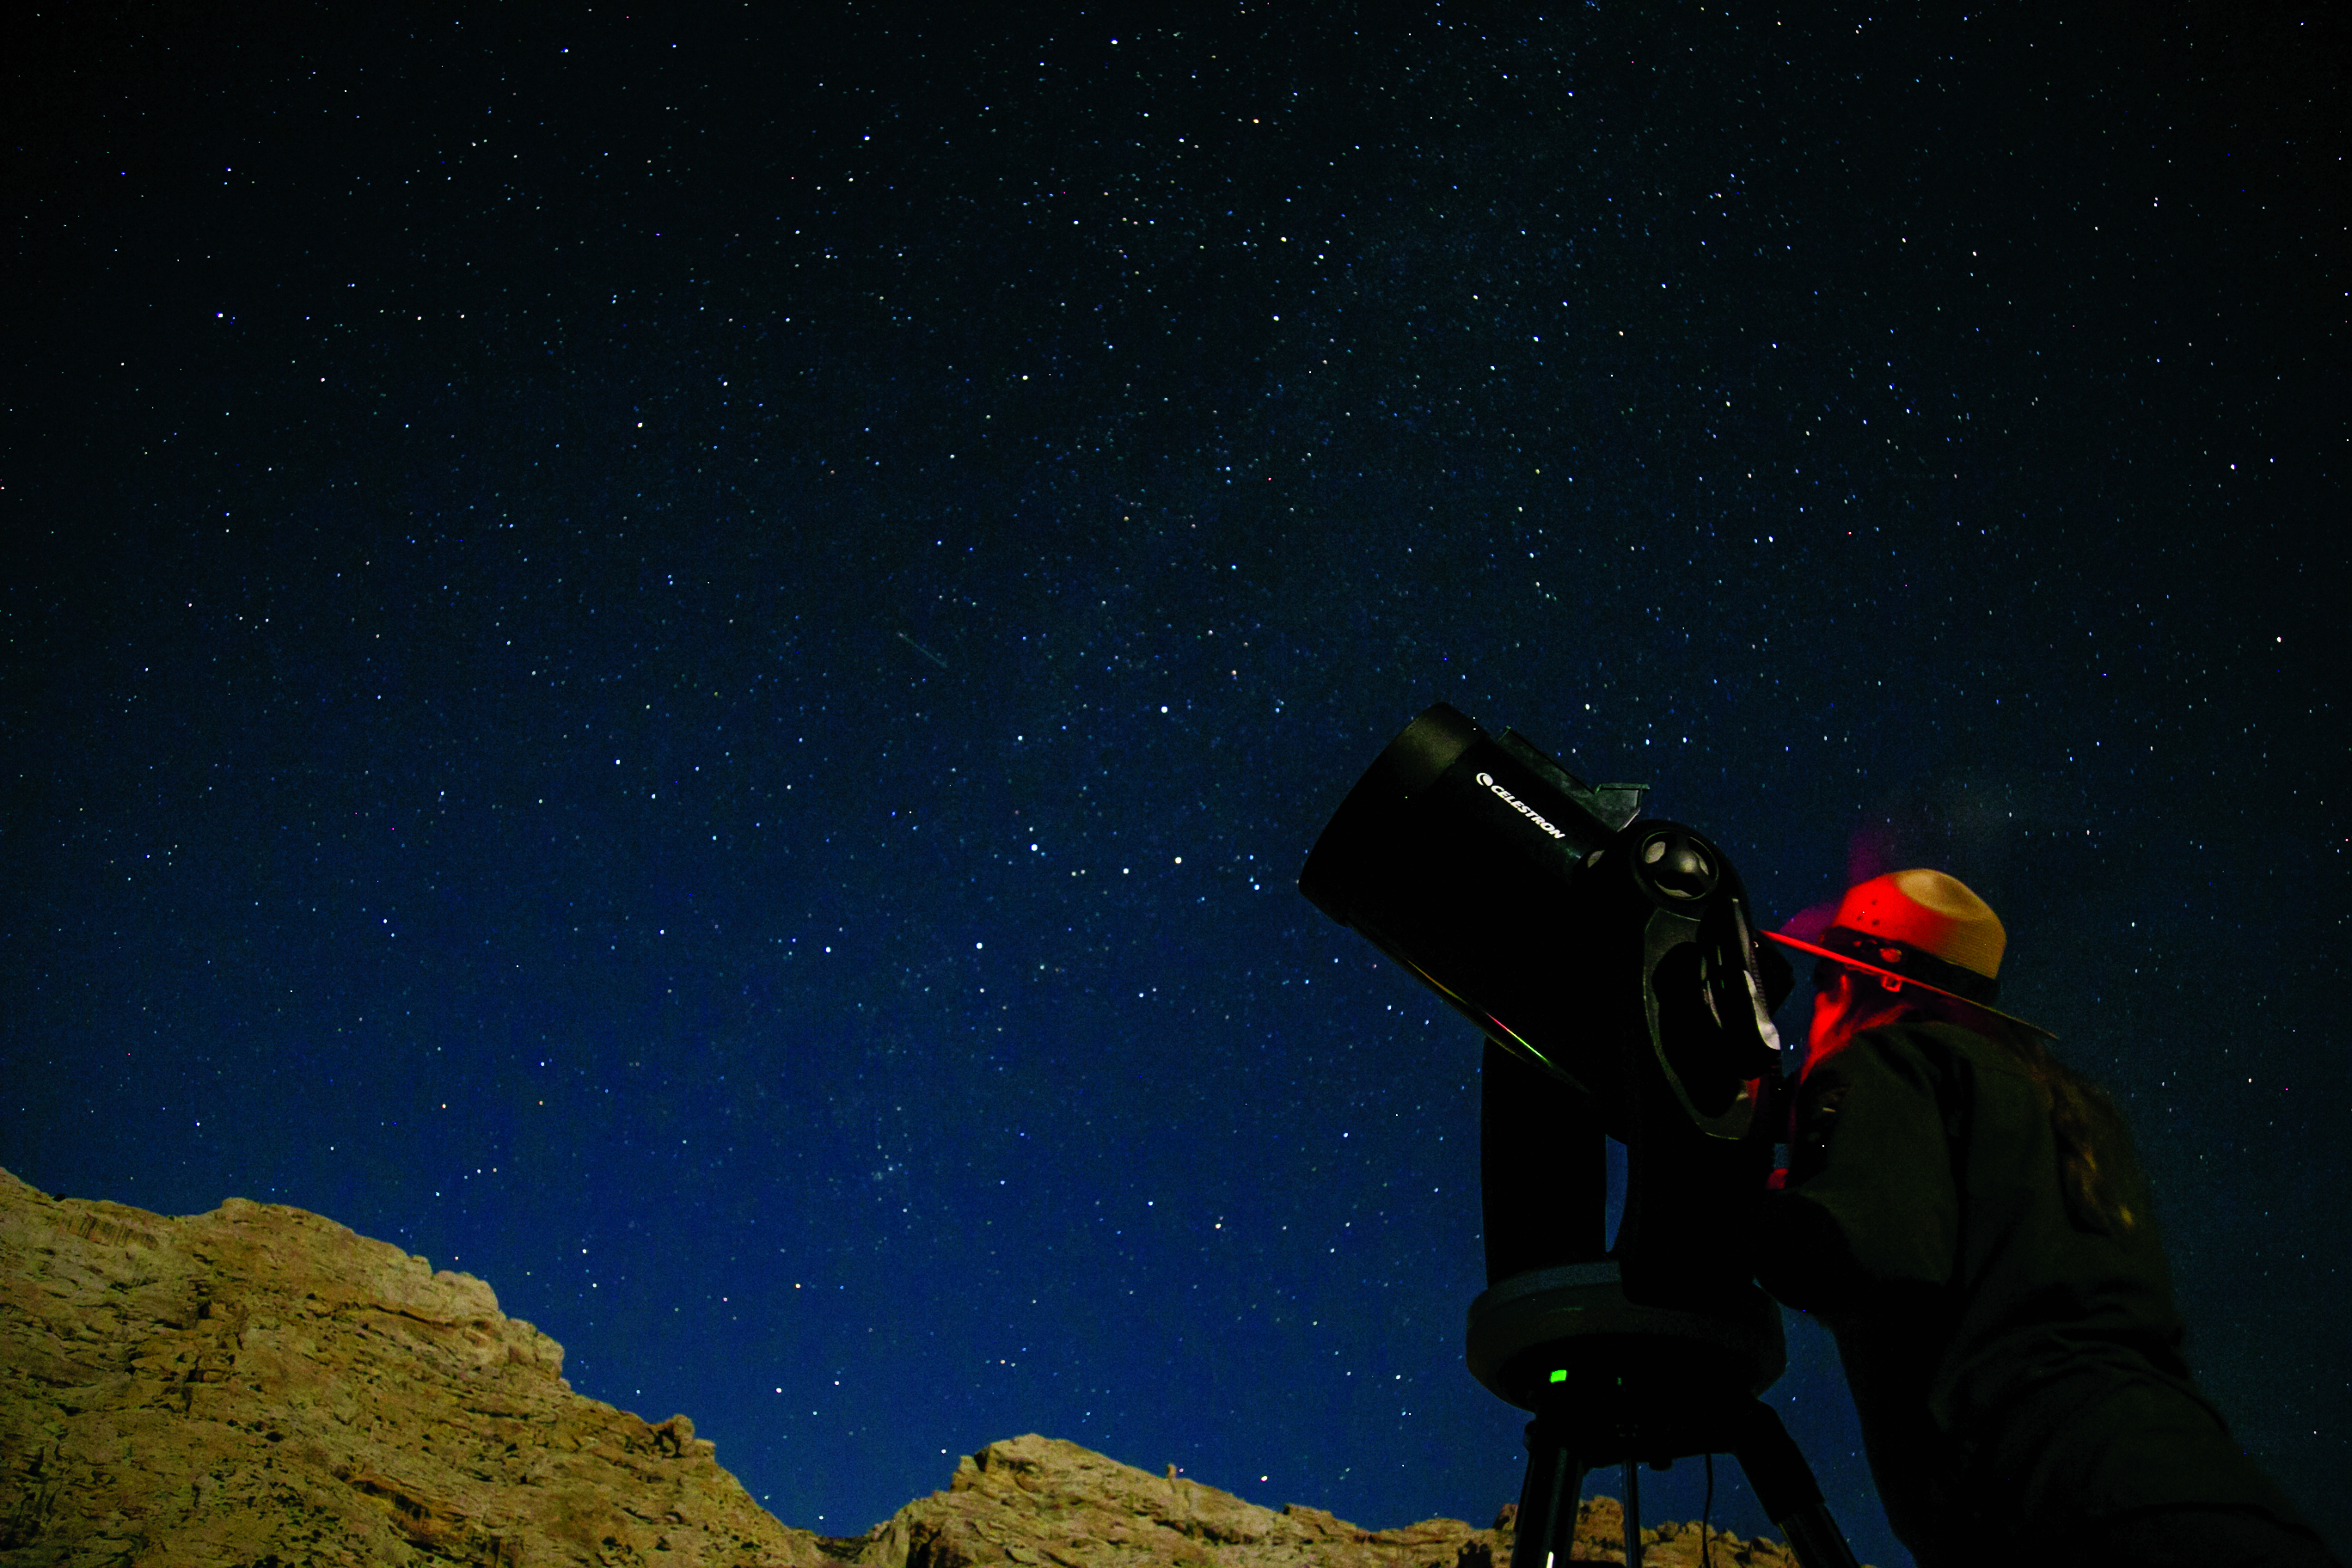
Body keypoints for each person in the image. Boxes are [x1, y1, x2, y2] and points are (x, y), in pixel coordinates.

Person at [1755, 869, 2337, 1567]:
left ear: (1858, 985)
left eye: (1823, 980)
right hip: (2207, 1484)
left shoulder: (1887, 1058)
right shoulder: (2072, 1106)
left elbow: (1858, 1254)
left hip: (2052, 1504)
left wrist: (1750, 1210)